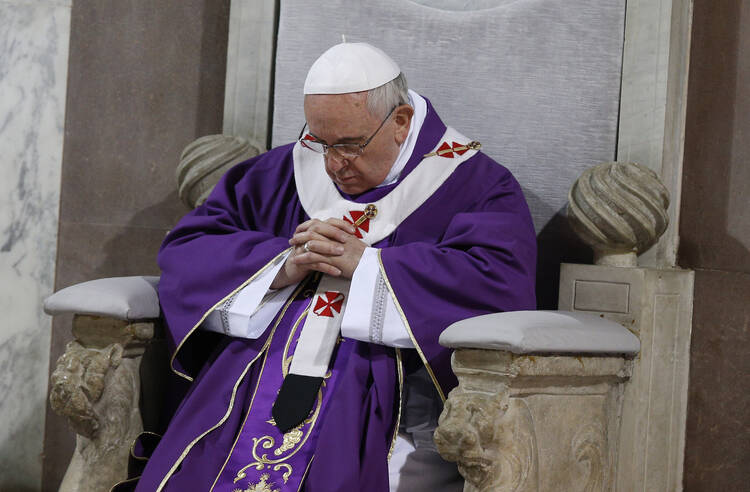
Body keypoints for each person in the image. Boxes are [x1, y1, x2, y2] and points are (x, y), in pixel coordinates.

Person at [127, 42, 536, 492]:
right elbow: (189, 248)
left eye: (349, 145)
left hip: (379, 394)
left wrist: (370, 266)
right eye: (318, 142)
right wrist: (280, 266)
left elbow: (498, 283)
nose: (332, 164)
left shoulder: (475, 186)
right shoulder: (283, 173)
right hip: (249, 393)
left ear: (399, 123)